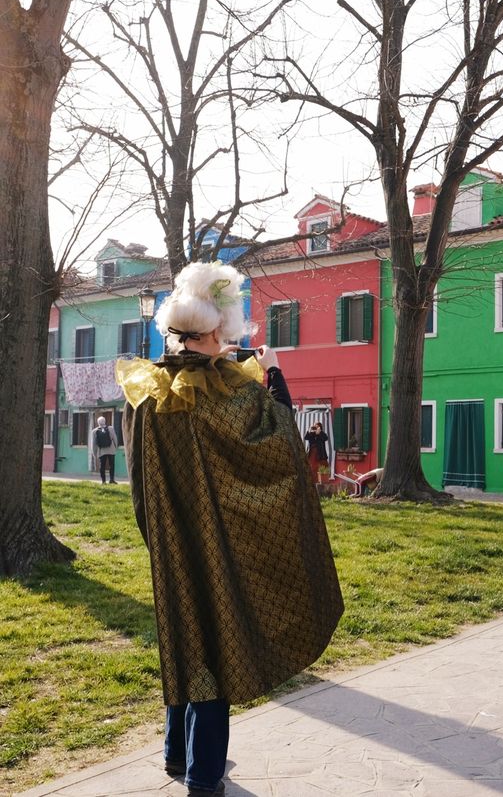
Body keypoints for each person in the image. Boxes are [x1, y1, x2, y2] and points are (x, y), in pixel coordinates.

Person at [116, 262, 343, 797]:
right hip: (218, 539)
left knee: (183, 635)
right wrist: (276, 373)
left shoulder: (148, 392)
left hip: (171, 537)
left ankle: (177, 754)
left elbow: (137, 473)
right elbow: (281, 439)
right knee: (216, 646)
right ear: (217, 329)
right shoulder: (230, 395)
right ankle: (203, 776)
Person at [91, 415, 118, 484]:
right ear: (105, 421)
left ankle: (103, 481)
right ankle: (111, 480)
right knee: (112, 465)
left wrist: (94, 453)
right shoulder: (110, 428)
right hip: (111, 450)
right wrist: (115, 448)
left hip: (101, 451)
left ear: (98, 423)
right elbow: (115, 439)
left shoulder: (94, 431)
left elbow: (93, 444)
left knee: (102, 466)